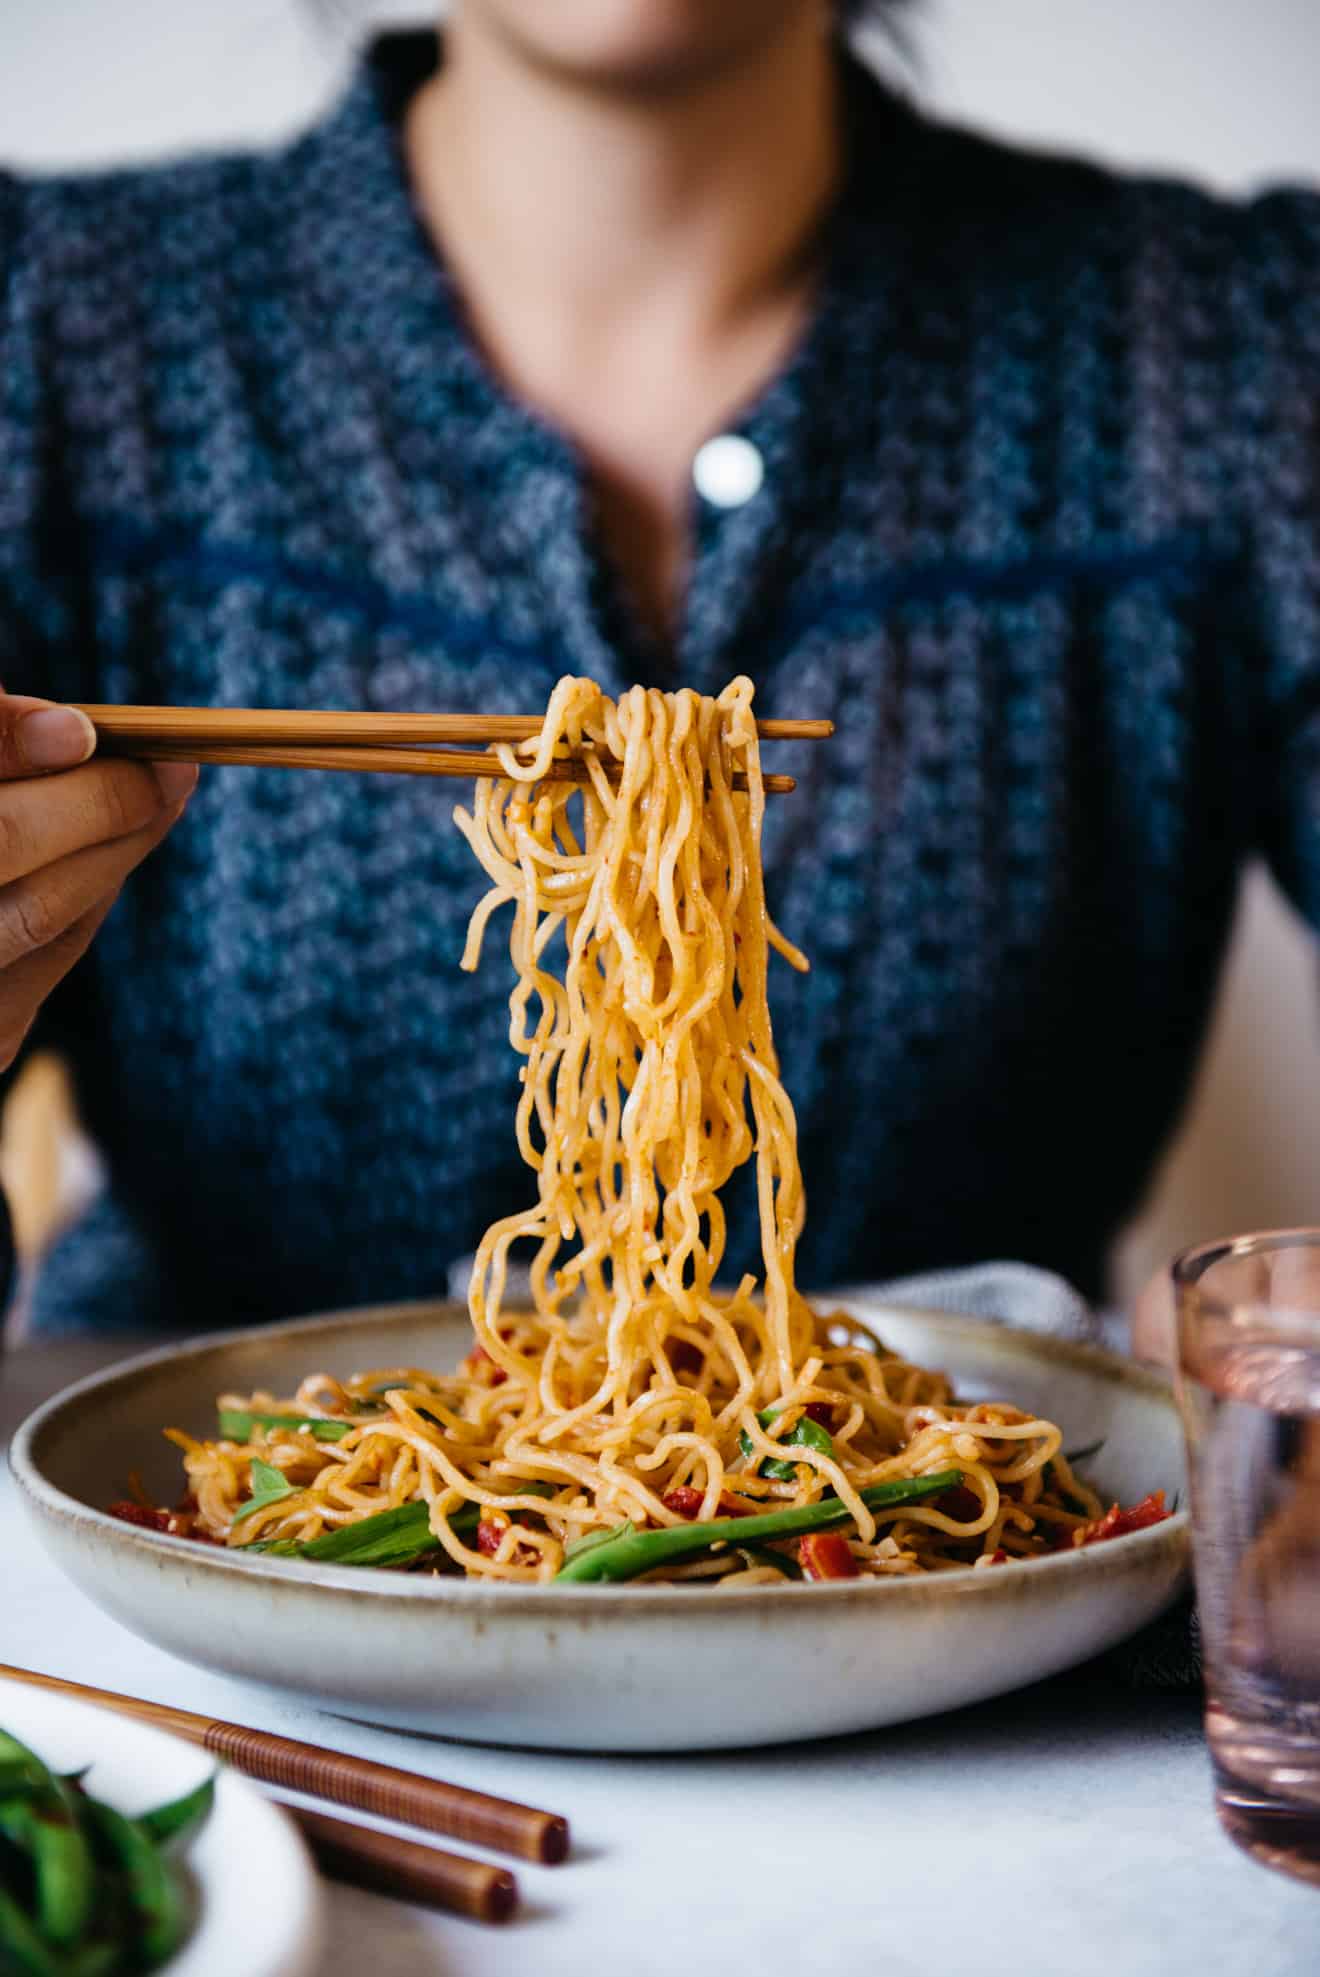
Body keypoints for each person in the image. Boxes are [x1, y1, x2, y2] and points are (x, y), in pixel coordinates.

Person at [0, 1, 1316, 1342]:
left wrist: (1270, 1314)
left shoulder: (1238, 343)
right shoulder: (41, 323)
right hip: (183, 1500)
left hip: (979, 1505)